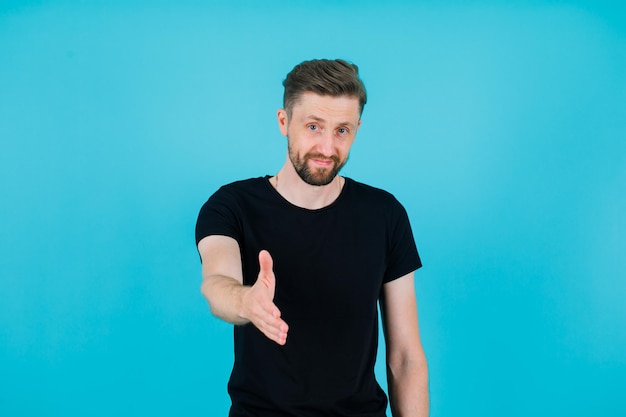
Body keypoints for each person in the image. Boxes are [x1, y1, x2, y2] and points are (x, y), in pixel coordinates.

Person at [195, 59, 429, 417]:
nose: (327, 147)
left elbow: (406, 358)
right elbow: (217, 283)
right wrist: (247, 302)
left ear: (357, 129)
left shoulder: (385, 215)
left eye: (342, 130)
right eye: (314, 126)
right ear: (284, 122)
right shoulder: (232, 206)